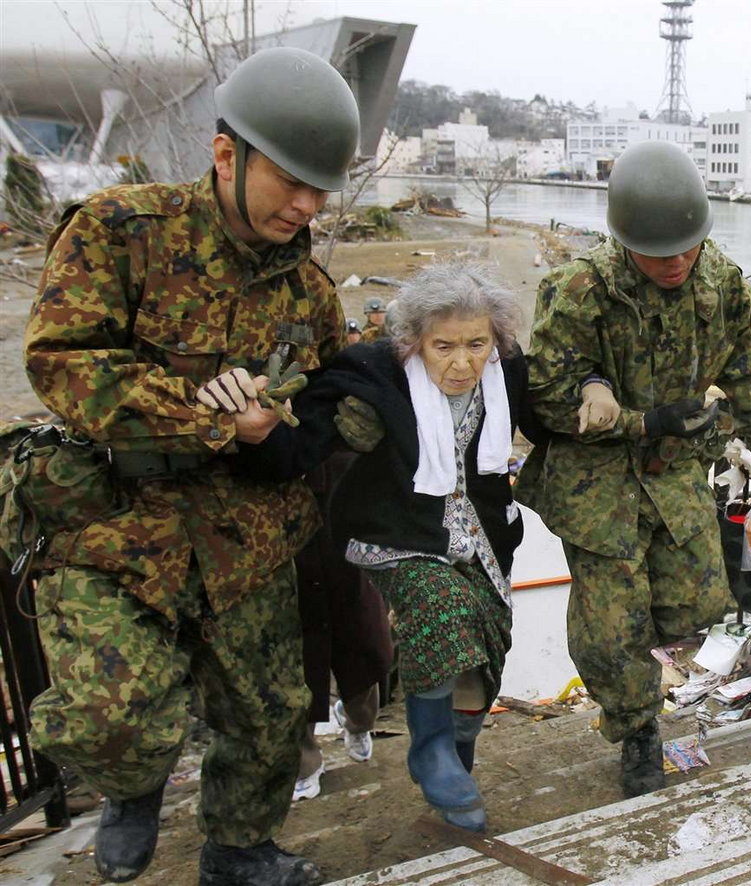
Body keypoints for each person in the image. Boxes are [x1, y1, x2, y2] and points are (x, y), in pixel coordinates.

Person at [22, 46, 360, 886]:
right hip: (117, 528)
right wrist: (214, 422)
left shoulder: (308, 288)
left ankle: (238, 849)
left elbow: (329, 387)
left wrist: (292, 435)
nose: (308, 205)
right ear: (225, 155)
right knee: (112, 715)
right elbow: (63, 362)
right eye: (291, 181)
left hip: (246, 538)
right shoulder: (121, 231)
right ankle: (131, 785)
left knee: (271, 718)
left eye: (323, 188)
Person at [236, 261, 545, 832]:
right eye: (443, 346)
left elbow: (550, 420)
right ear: (413, 342)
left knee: (486, 641)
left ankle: (456, 759)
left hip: (480, 534)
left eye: (477, 344)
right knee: (441, 609)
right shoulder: (373, 373)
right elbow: (299, 444)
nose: (462, 363)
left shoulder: (508, 373)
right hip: (396, 531)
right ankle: (429, 752)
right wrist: (258, 430)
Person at [521, 140, 751, 799]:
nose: (676, 263)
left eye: (687, 248)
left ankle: (680, 689)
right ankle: (637, 732)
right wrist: (635, 418)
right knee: (610, 631)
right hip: (596, 482)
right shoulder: (580, 291)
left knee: (700, 606)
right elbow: (546, 397)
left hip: (675, 476)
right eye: (659, 254)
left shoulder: (721, 284)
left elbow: (747, 367)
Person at [292, 452, 394, 802]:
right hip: (285, 530)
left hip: (348, 527)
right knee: (296, 657)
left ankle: (358, 721)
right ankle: (305, 764)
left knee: (367, 645)